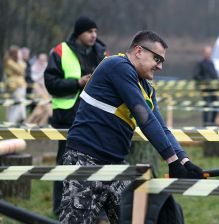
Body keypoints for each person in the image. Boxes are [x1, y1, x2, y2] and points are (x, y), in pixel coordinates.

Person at [59, 30, 203, 223]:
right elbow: (144, 118)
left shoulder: (147, 88)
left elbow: (162, 128)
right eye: (157, 58)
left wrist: (184, 162)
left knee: (137, 218)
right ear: (138, 51)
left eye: (162, 61)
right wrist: (171, 161)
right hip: (85, 160)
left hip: (116, 165)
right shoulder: (117, 66)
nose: (160, 66)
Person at [44, 16, 107, 217]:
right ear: (79, 33)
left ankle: (92, 208)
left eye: (95, 31)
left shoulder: (102, 52)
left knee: (95, 164)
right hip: (67, 118)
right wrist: (77, 83)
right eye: (89, 31)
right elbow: (51, 84)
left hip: (95, 118)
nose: (94, 35)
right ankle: (59, 207)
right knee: (64, 165)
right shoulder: (60, 51)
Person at [193, 45, 219, 126]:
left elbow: (215, 75)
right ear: (203, 53)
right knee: (206, 107)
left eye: (210, 53)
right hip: (205, 89)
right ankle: (206, 124)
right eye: (207, 53)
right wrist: (206, 81)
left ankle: (213, 123)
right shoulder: (200, 63)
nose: (209, 54)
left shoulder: (211, 63)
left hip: (213, 89)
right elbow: (196, 75)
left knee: (216, 106)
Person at [3, 45, 27, 123]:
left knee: (19, 103)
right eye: (19, 53)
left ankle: (20, 118)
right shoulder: (9, 61)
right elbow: (21, 69)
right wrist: (20, 60)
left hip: (20, 85)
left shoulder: (14, 62)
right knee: (16, 103)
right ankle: (12, 121)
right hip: (14, 86)